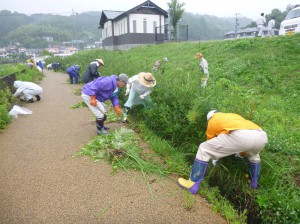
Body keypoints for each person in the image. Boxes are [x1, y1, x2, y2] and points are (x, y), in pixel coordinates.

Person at [178, 110, 268, 194]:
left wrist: (215, 157)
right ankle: (253, 184)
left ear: (209, 118)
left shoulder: (213, 119)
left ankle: (192, 184)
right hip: (261, 136)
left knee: (204, 149)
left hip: (242, 136)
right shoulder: (232, 116)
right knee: (254, 156)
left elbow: (210, 140)